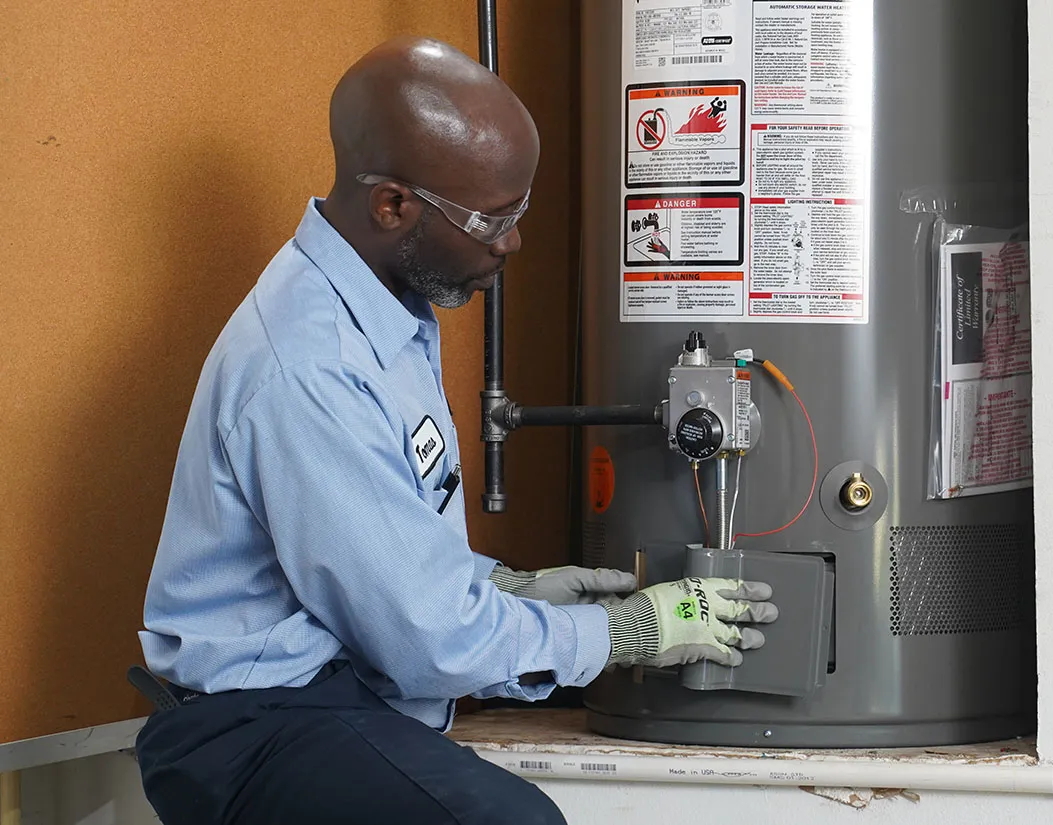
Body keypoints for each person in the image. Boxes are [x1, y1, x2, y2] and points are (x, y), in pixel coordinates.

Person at [134, 36, 778, 825]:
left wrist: (495, 585)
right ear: (393, 205)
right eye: (492, 219)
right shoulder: (307, 362)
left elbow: (378, 544)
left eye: (522, 209)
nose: (511, 242)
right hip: (254, 724)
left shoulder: (385, 303)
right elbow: (428, 640)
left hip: (329, 695)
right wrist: (631, 631)